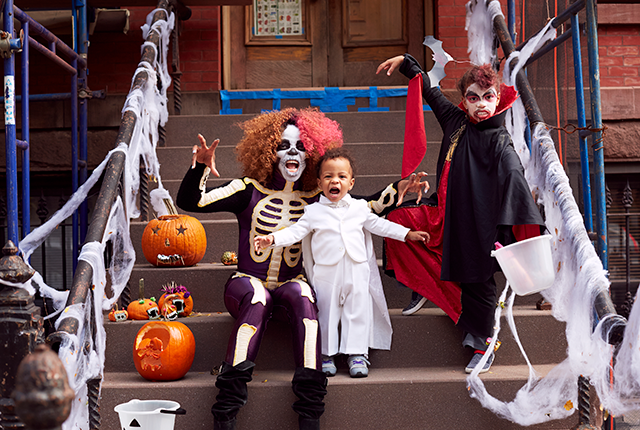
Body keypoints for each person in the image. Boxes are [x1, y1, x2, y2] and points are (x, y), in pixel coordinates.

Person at [176, 108, 427, 430]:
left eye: (300, 147)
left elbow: (362, 206)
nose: (292, 152)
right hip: (247, 282)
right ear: (268, 151)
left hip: (289, 283)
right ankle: (225, 412)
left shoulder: (316, 197)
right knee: (256, 299)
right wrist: (199, 167)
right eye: (283, 145)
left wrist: (397, 191)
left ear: (312, 156)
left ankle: (310, 415)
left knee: (305, 300)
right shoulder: (247, 189)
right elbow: (192, 202)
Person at [376, 54, 545, 374]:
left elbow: (513, 177)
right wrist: (407, 64)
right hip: (444, 215)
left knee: (478, 282)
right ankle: (423, 286)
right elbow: (431, 92)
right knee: (398, 222)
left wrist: (511, 230)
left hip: (478, 226)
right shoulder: (455, 122)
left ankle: (485, 342)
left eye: (488, 97)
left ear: (497, 100)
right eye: (473, 98)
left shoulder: (500, 140)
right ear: (465, 102)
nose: (481, 104)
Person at [254, 148, 430, 378]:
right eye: (328, 177)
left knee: (356, 311)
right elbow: (296, 232)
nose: (334, 181)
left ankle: (357, 353)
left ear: (351, 183)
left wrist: (407, 233)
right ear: (319, 182)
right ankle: (326, 354)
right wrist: (272, 239)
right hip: (327, 272)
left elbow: (380, 225)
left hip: (356, 268)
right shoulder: (313, 211)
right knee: (326, 311)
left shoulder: (359, 209)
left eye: (341, 177)